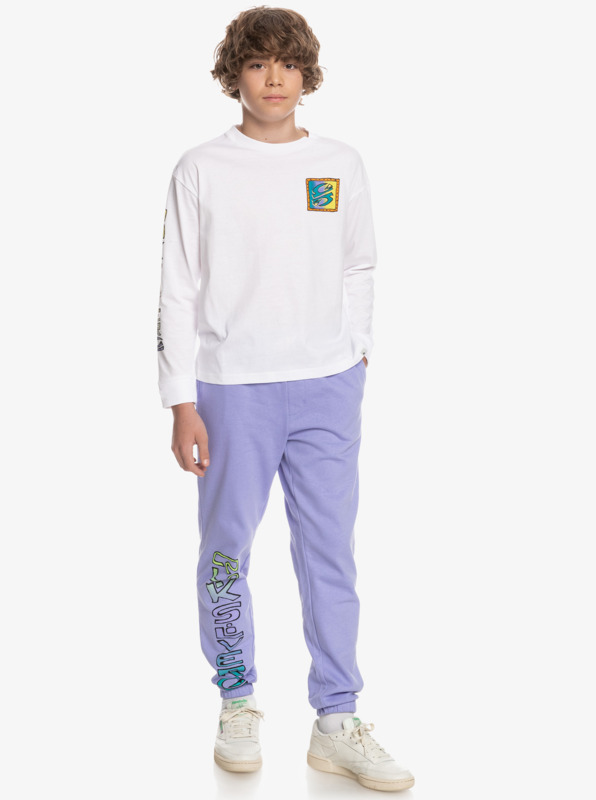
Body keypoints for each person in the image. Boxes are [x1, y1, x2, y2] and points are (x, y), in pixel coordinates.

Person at [156, 5, 414, 793]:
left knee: (330, 553)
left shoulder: (339, 163)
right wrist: (181, 399)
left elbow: (360, 264)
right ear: (233, 73)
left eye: (289, 64)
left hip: (329, 386)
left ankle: (337, 719)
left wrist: (357, 349)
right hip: (232, 391)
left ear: (307, 74)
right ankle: (236, 699)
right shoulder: (202, 168)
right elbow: (177, 289)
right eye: (258, 62)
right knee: (227, 552)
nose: (275, 78)